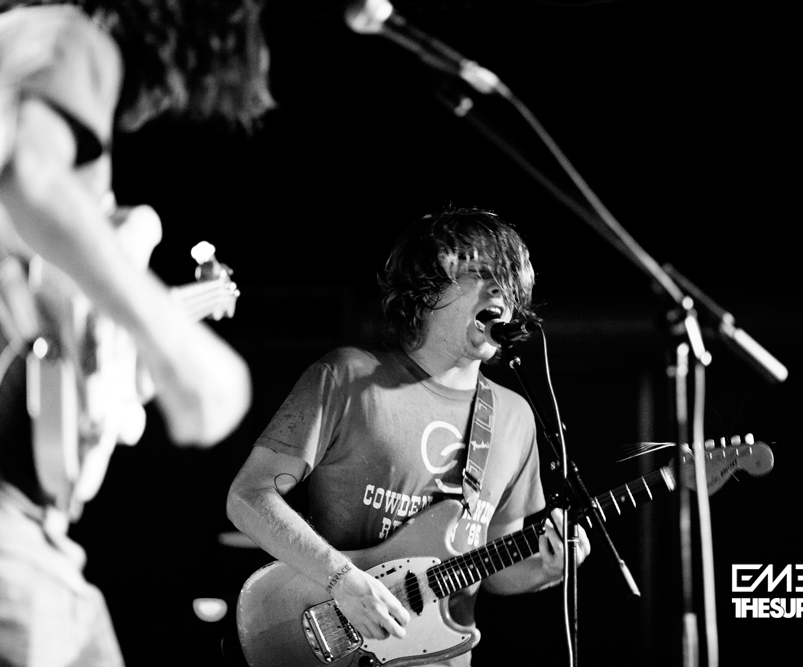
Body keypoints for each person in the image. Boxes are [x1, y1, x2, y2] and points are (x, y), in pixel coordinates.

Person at [0, 1, 273, 665]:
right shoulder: (69, 36)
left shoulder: (20, 52)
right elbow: (19, 170)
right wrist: (180, 352)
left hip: (24, 512)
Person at [226, 208, 591, 666]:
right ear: (426, 288)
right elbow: (248, 496)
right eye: (480, 273)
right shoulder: (348, 377)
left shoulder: (515, 416)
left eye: (508, 280)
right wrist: (343, 579)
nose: (500, 290)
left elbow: (494, 565)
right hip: (334, 641)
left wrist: (548, 567)